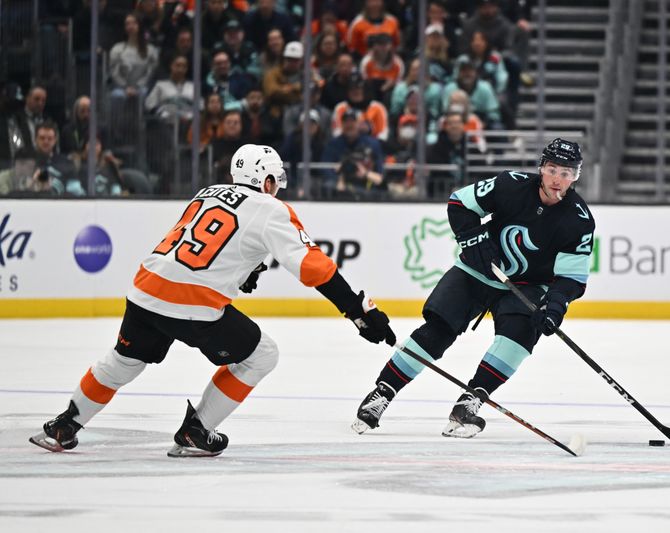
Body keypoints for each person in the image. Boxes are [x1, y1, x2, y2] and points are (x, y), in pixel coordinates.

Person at [30, 144, 396, 457]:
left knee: (124, 361)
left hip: (146, 289)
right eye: (276, 181)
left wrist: (242, 270)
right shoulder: (271, 209)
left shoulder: (206, 192)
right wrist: (357, 311)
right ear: (267, 180)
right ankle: (197, 430)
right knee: (262, 354)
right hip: (192, 304)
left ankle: (64, 425)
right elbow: (313, 267)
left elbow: (195, 246)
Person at [351, 138, 594, 438]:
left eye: (566, 173)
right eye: (553, 169)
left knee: (518, 339)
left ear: (576, 177)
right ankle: (382, 393)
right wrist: (472, 237)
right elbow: (459, 203)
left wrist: (555, 305)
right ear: (542, 167)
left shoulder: (579, 220)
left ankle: (470, 402)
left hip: (528, 285)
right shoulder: (510, 184)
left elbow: (572, 278)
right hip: (476, 271)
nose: (558, 179)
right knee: (437, 331)